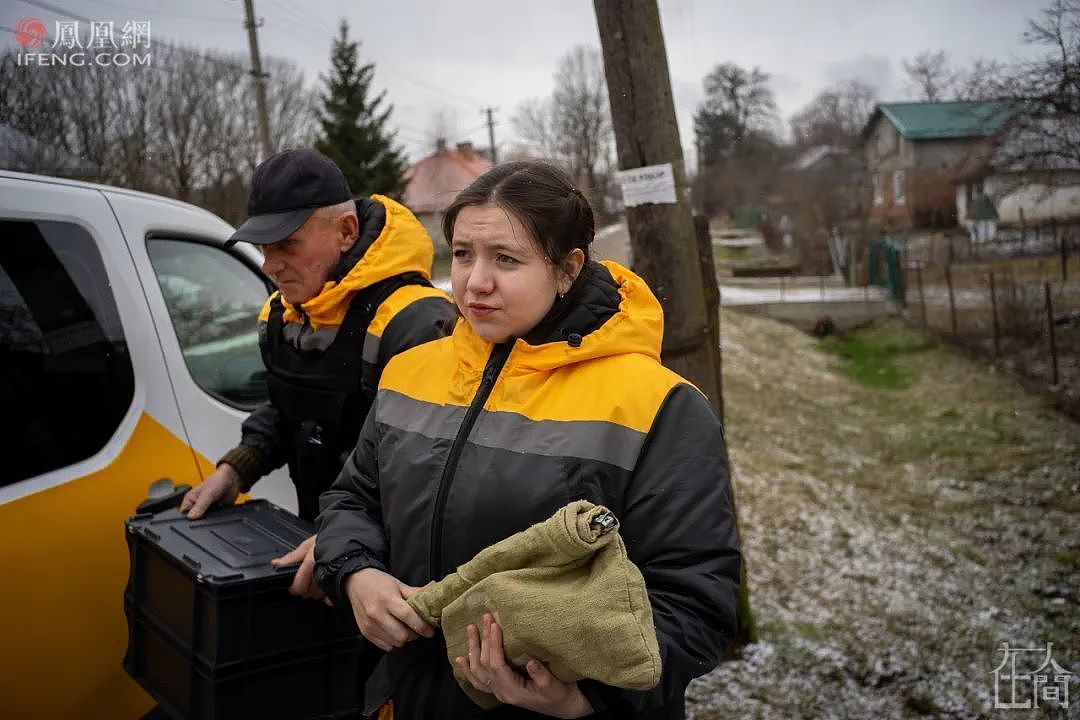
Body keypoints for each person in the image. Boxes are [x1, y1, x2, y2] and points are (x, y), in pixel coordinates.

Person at [314, 160, 741, 719]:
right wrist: (355, 572)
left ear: (568, 268)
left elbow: (694, 596)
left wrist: (586, 698)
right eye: (463, 253)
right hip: (408, 696)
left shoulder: (658, 405)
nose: (475, 282)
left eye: (507, 259)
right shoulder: (410, 372)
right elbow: (352, 498)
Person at [180, 147, 454, 601]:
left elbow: (430, 474)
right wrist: (239, 466)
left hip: (399, 576)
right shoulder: (282, 314)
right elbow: (290, 406)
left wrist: (346, 544)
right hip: (321, 548)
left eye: (287, 244)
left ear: (346, 231)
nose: (270, 265)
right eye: (263, 247)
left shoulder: (415, 323)